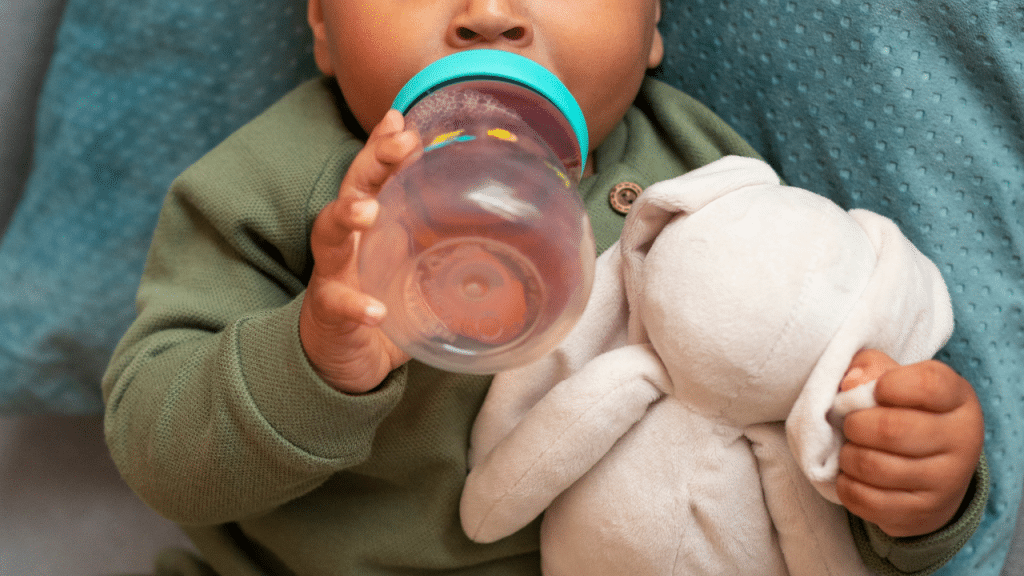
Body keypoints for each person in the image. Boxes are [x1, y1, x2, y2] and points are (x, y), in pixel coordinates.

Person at [101, 0, 986, 574]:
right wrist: (312, 360)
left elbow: (790, 405)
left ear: (652, 29)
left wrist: (912, 486)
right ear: (323, 28)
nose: (489, 16)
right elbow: (155, 453)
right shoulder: (274, 187)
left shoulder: (711, 183)